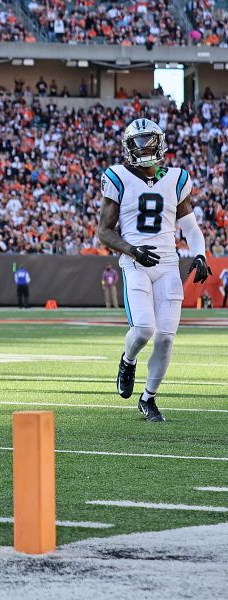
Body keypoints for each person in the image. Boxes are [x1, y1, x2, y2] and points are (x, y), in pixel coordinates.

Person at [97, 118, 210, 422]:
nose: (144, 148)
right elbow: (103, 232)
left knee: (166, 337)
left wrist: (200, 255)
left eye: (149, 142)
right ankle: (128, 358)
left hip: (168, 264)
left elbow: (191, 228)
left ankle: (148, 398)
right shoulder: (119, 177)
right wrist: (132, 250)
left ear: (160, 144)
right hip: (135, 263)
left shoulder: (175, 178)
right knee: (144, 329)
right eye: (138, 143)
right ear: (128, 147)